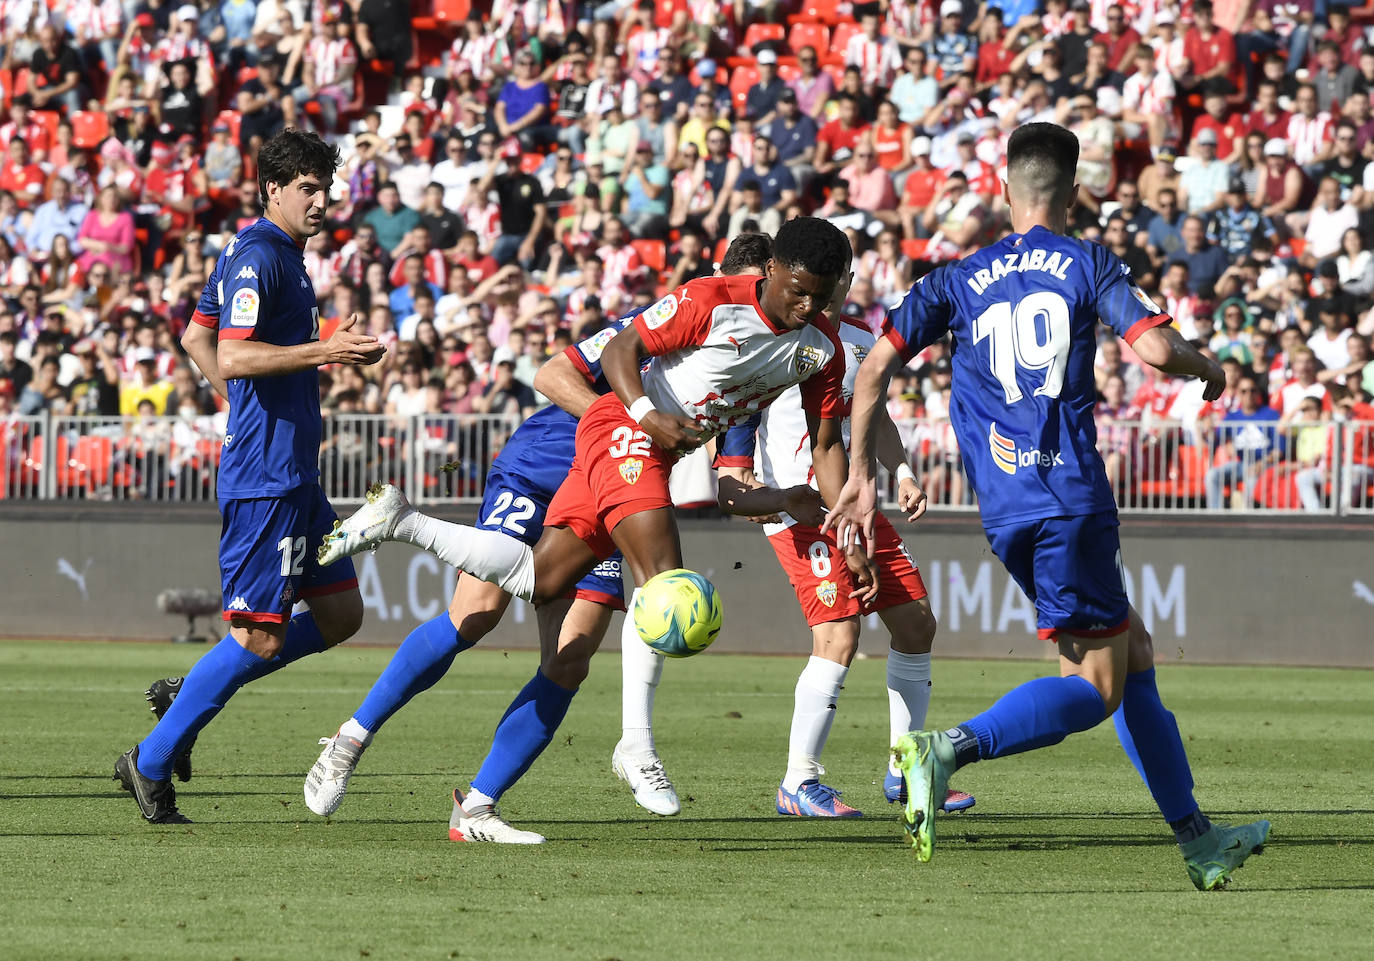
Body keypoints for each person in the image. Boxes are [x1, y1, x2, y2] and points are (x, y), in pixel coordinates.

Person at [825, 122, 1270, 889]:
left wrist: (862, 472)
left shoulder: (955, 277)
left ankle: (1197, 837)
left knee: (1133, 654)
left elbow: (873, 369)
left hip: (1005, 506)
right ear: (1073, 194)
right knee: (1097, 685)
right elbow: (1157, 350)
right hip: (1070, 494)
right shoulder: (1086, 260)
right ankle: (948, 748)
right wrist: (1210, 368)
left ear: (1004, 189)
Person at [319, 219, 875, 824]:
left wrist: (821, 516)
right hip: (593, 446)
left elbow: (778, 468)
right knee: (652, 584)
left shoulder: (816, 349)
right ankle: (634, 742)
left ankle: (474, 807)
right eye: (797, 291)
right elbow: (583, 364)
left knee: (550, 603)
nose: (808, 306)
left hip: (637, 464)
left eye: (822, 295)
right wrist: (642, 418)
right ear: (762, 274)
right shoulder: (701, 303)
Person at [114, 130, 386, 824]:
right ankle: (148, 762)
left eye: (326, 187)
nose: (321, 200)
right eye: (308, 188)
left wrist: (243, 404)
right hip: (264, 476)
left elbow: (195, 337)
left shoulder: (274, 253)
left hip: (293, 472)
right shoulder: (261, 255)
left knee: (340, 613)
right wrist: (324, 350)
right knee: (259, 636)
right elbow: (230, 355)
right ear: (273, 187)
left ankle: (194, 689)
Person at [713, 306, 974, 818]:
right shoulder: (772, 341)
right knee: (839, 637)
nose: (829, 288)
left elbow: (872, 415)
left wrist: (901, 472)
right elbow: (736, 456)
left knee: (916, 624)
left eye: (840, 275)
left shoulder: (859, 337)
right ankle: (798, 781)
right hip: (802, 509)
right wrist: (766, 496)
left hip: (855, 505)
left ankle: (907, 770)